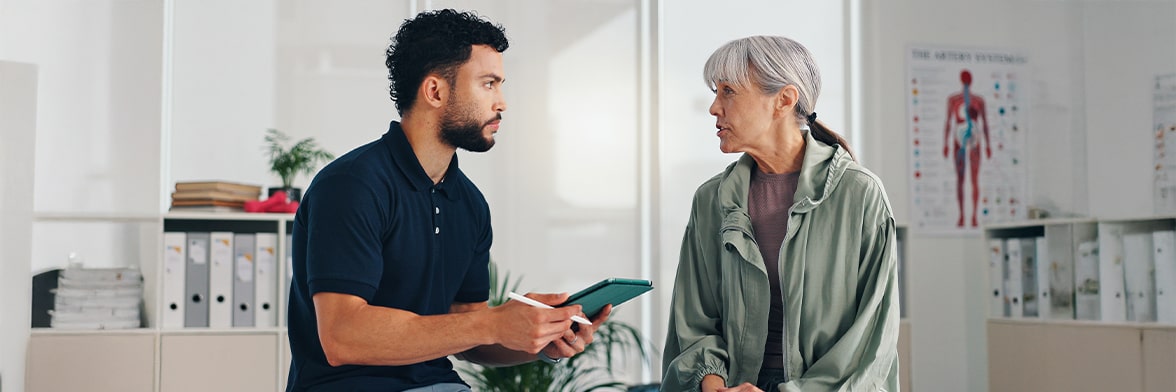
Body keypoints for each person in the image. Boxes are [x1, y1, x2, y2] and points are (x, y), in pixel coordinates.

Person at [285, 9, 609, 391]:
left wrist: (541, 340)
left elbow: (467, 334)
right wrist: (493, 321)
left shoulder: (469, 204)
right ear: (435, 91)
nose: (502, 102)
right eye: (488, 84)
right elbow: (342, 337)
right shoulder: (352, 185)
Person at [661, 36, 900, 392]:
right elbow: (694, 323)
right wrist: (715, 388)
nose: (714, 107)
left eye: (728, 91)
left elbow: (870, 345)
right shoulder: (711, 200)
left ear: (784, 100)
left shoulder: (860, 194)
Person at [942, 69, 991, 228]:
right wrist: (945, 144)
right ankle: (963, 216)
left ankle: (974, 216)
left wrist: (989, 145)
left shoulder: (978, 101)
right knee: (961, 180)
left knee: (973, 179)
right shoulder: (953, 100)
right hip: (960, 139)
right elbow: (948, 123)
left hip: (974, 140)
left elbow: (984, 124)